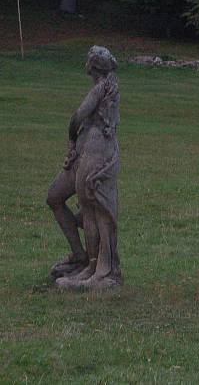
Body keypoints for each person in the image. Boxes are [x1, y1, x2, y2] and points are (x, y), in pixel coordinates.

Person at [47, 46, 123, 289]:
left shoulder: (103, 88)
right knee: (54, 197)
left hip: (95, 150)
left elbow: (78, 116)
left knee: (93, 207)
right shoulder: (103, 87)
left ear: (93, 65)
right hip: (82, 150)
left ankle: (99, 269)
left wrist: (71, 135)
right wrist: (72, 144)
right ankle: (81, 256)